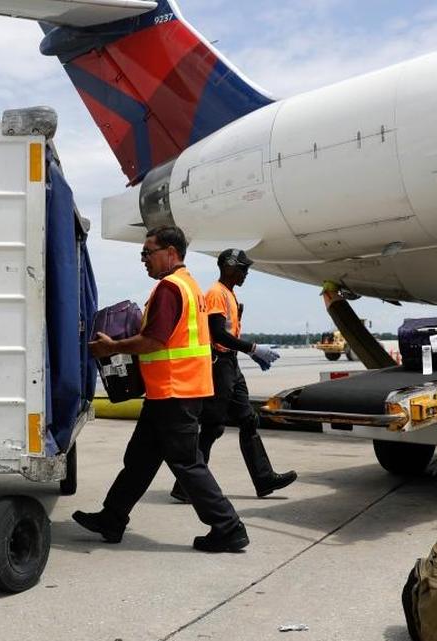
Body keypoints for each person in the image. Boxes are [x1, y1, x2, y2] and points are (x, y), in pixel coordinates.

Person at [75, 226, 249, 553]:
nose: (143, 260)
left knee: (186, 463)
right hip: (170, 392)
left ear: (170, 252)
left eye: (147, 252)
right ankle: (112, 518)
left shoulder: (170, 288)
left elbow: (154, 340)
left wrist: (111, 347)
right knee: (139, 459)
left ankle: (229, 527)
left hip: (175, 392)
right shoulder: (190, 286)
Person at [170, 248, 296, 503]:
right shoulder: (217, 294)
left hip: (231, 365)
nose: (246, 273)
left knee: (248, 420)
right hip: (220, 365)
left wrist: (250, 354)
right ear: (228, 267)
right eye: (242, 268)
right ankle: (185, 487)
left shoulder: (228, 294)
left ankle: (264, 479)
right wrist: (253, 348)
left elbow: (229, 334)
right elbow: (217, 334)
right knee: (213, 426)